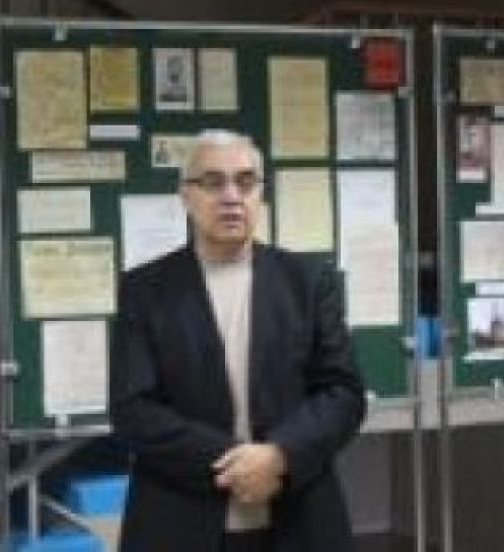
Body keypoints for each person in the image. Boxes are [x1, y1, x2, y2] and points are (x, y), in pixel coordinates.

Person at [110, 129, 365, 552]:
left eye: (245, 182)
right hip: (180, 521)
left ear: (260, 194)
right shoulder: (145, 290)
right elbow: (133, 410)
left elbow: (343, 394)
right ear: (185, 196)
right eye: (213, 182)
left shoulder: (307, 282)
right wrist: (239, 464)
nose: (231, 196)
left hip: (298, 519)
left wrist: (279, 456)